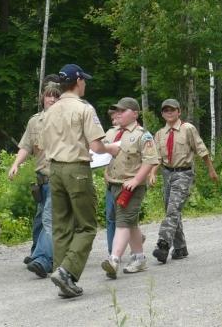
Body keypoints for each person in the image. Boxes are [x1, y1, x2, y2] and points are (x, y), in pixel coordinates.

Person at [41, 64, 118, 298]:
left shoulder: (49, 111)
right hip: (77, 169)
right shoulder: (84, 109)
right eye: (84, 80)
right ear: (78, 82)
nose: (85, 83)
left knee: (61, 226)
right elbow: (96, 146)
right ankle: (66, 272)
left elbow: (43, 145)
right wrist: (111, 148)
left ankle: (60, 273)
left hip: (54, 170)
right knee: (86, 226)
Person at [149, 99, 218, 264]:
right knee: (171, 210)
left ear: (179, 111)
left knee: (172, 210)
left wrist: (211, 169)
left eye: (172, 110)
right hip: (167, 174)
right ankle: (180, 248)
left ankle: (163, 244)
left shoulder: (188, 129)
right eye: (166, 110)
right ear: (162, 114)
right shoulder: (160, 134)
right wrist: (152, 172)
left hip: (184, 173)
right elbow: (157, 157)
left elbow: (201, 149)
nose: (169, 113)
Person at [101, 97, 159, 279]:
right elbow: (105, 154)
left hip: (131, 186)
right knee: (128, 221)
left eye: (122, 110)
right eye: (116, 111)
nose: (118, 114)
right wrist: (105, 172)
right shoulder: (111, 133)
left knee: (124, 221)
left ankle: (114, 260)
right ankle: (139, 257)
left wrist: (136, 180)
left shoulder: (143, 135)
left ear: (135, 114)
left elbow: (150, 161)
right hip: (113, 183)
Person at [8, 82, 61, 278]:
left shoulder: (66, 119)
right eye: (49, 95)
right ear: (42, 97)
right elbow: (26, 146)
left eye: (57, 95)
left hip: (59, 177)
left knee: (49, 218)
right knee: (40, 220)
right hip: (42, 180)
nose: (53, 99)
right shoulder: (34, 122)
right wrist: (16, 164)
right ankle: (37, 252)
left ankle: (43, 259)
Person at [104, 108, 120, 254]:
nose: (115, 122)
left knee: (126, 218)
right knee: (110, 216)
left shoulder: (135, 134)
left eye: (117, 118)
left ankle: (136, 243)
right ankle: (112, 252)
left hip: (125, 183)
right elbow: (103, 156)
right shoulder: (109, 134)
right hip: (110, 181)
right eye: (113, 120)